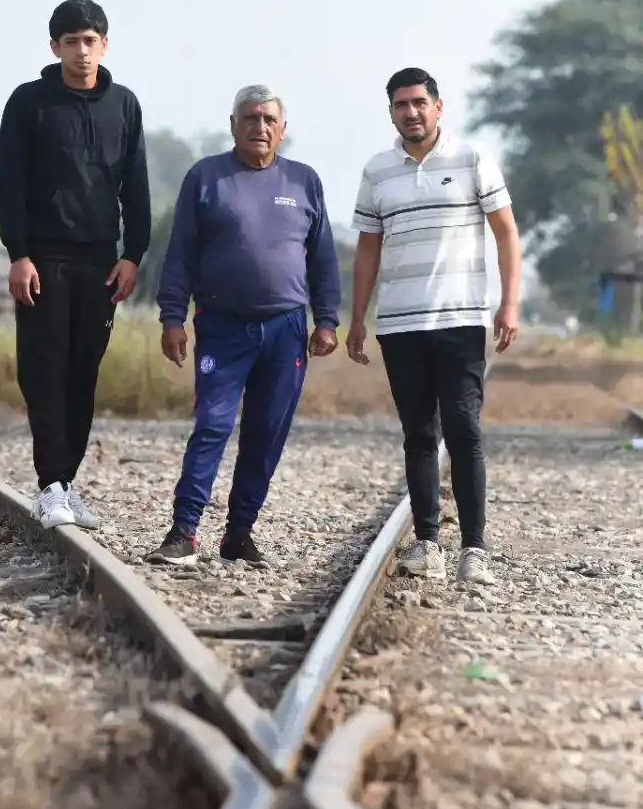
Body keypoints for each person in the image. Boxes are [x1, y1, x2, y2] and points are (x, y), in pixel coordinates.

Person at [145, 84, 341, 568]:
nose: (259, 127)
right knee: (211, 424)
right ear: (233, 125)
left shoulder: (304, 182)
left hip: (287, 329)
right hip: (222, 327)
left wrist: (328, 320)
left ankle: (239, 533)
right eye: (249, 118)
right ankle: (184, 531)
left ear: (283, 129)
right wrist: (172, 318)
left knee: (266, 432)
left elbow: (322, 260)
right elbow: (181, 255)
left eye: (268, 119)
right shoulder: (207, 177)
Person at [346, 67, 521, 586]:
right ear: (392, 112)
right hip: (400, 323)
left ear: (438, 107)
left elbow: (506, 232)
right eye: (401, 105)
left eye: (420, 102)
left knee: (464, 432)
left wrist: (507, 304)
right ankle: (427, 542)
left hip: (461, 319)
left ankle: (474, 549)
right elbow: (367, 249)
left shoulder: (471, 159)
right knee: (419, 434)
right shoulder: (378, 171)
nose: (412, 112)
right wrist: (356, 317)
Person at [0, 0, 151, 530]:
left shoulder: (124, 106)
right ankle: (50, 485)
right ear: (54, 46)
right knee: (45, 370)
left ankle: (66, 482)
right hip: (44, 261)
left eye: (90, 41)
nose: (81, 51)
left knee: (84, 372)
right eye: (71, 42)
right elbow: (7, 185)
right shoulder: (30, 102)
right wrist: (18, 254)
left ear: (105, 45)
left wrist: (133, 255)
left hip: (100, 265)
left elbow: (136, 187)